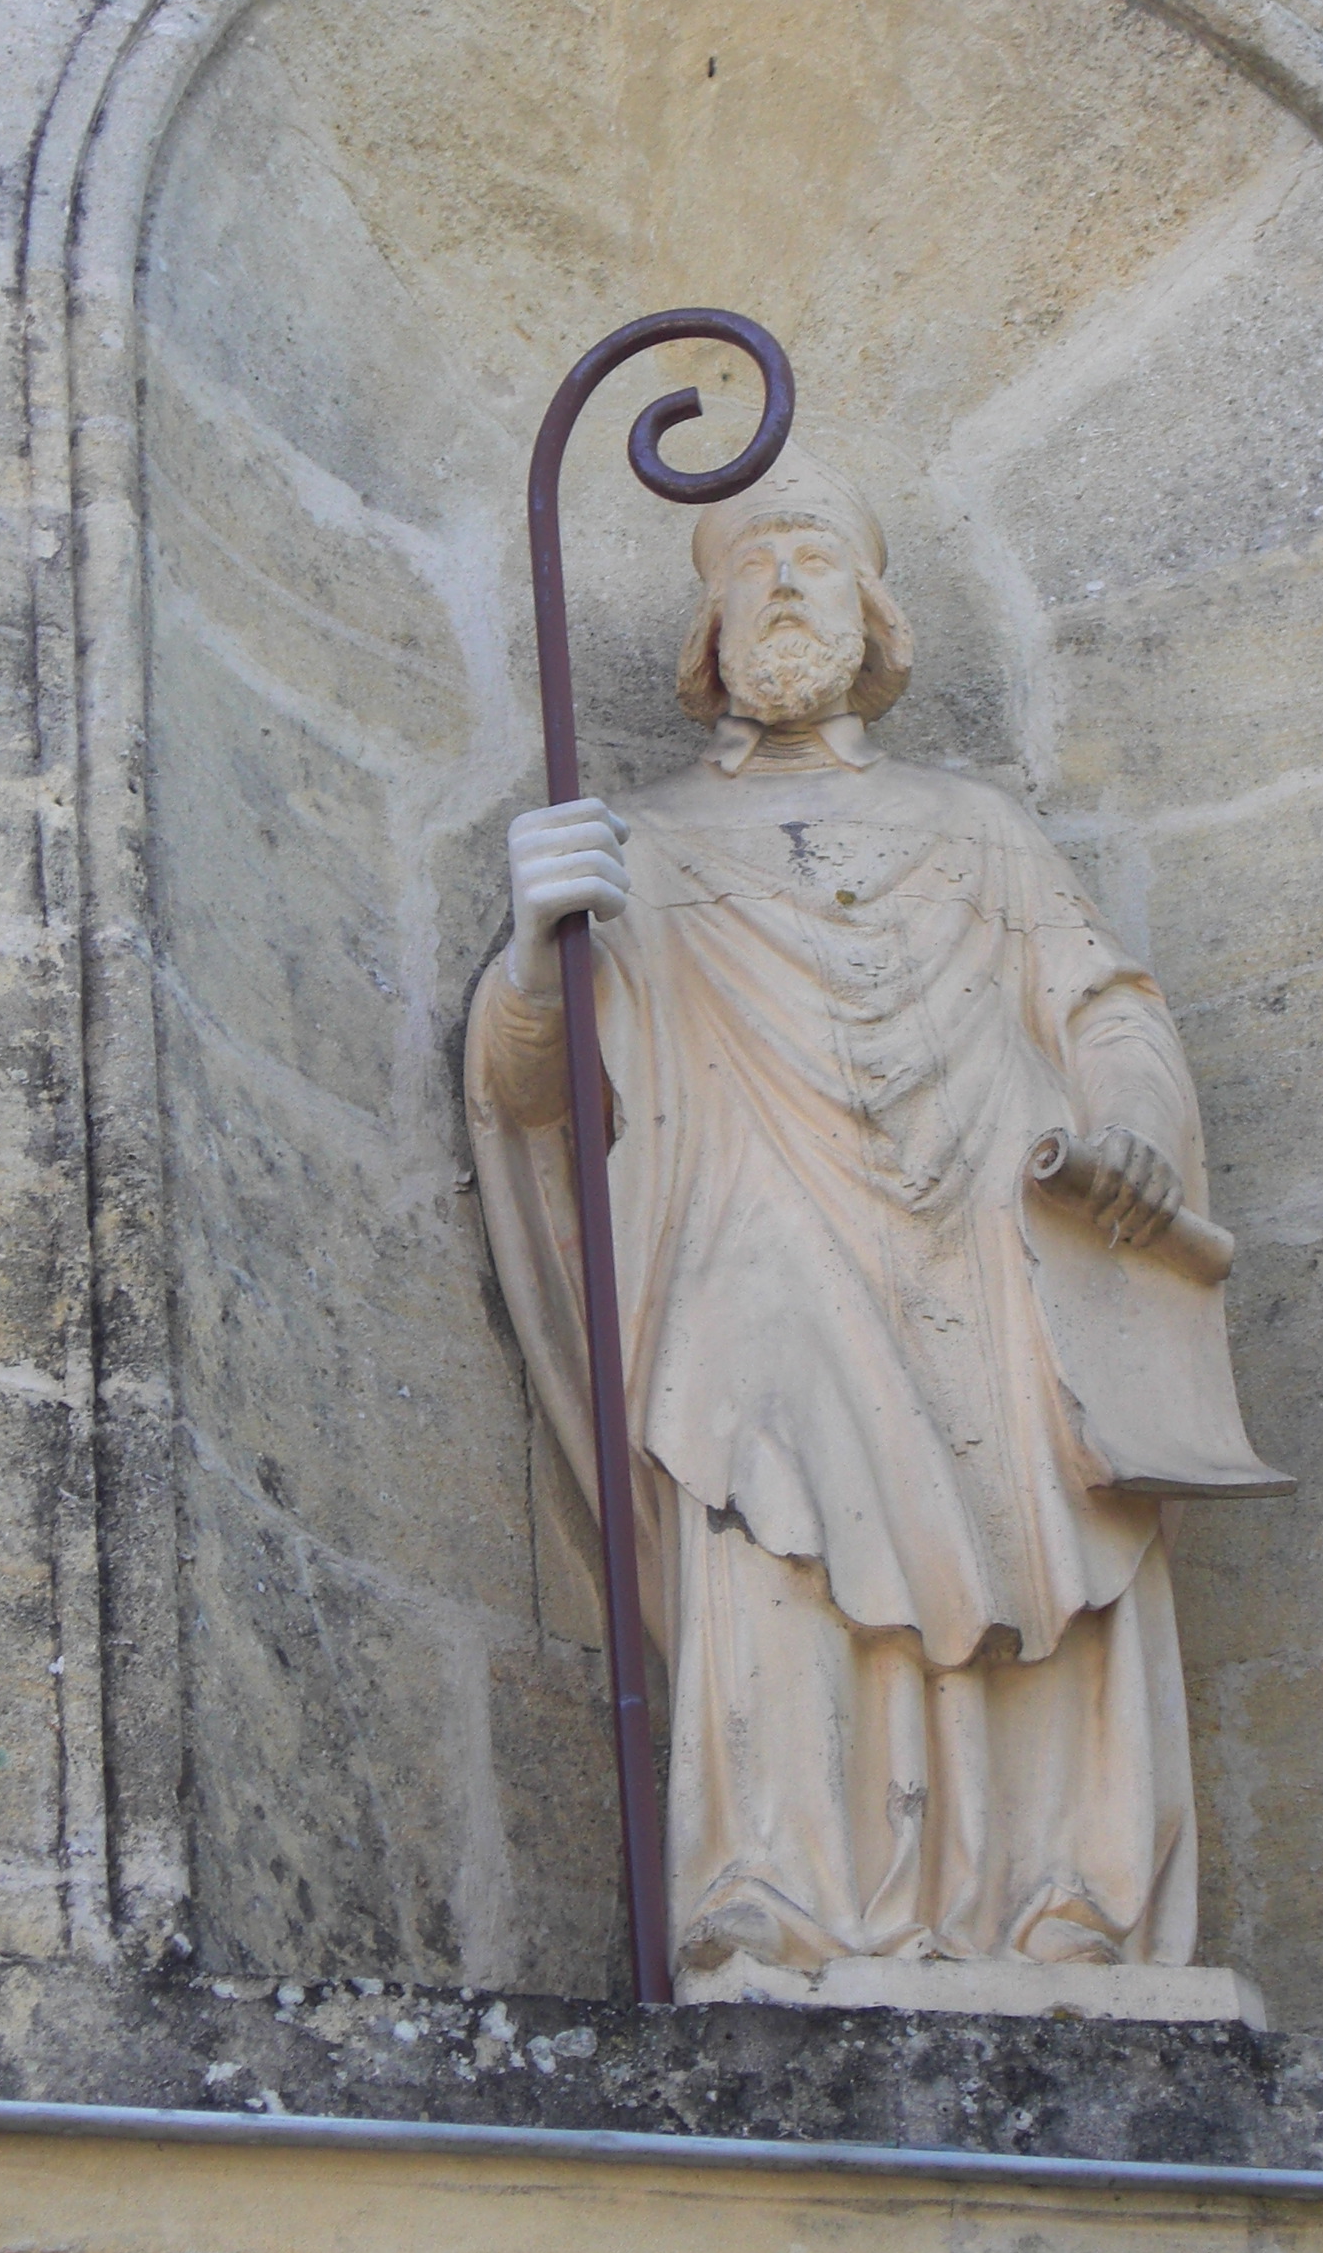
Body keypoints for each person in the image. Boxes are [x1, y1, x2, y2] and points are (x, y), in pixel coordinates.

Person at [465, 449, 1280, 1982]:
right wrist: (533, 943)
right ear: (707, 628)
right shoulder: (637, 841)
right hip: (755, 1247)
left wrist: (1130, 1131)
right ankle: (778, 1892)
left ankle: (1067, 1907)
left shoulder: (979, 828)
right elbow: (532, 1095)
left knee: (1051, 1519)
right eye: (752, 561)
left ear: (874, 606)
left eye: (815, 557)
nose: (783, 581)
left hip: (992, 1234)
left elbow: (1106, 1006)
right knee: (764, 1475)